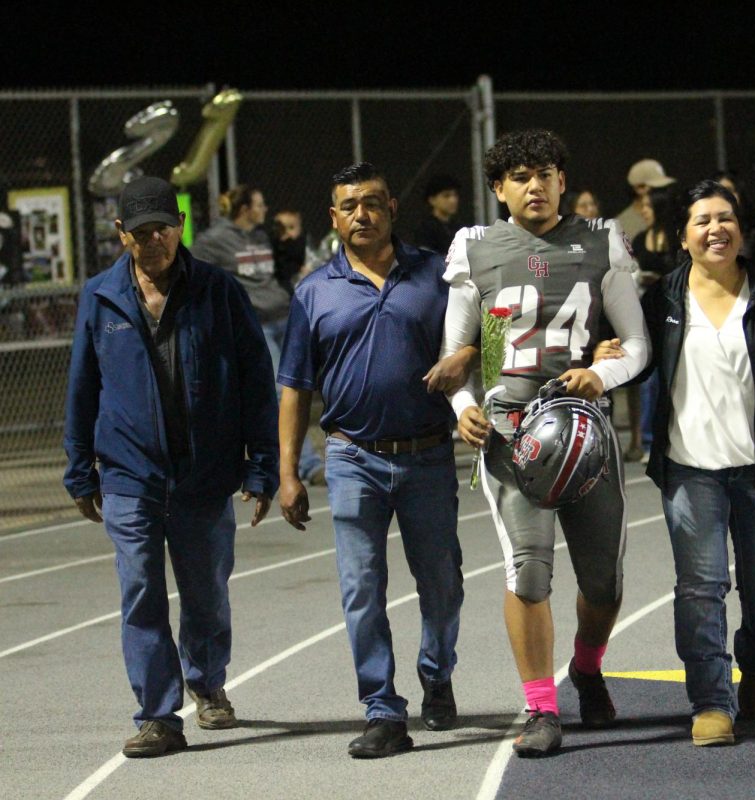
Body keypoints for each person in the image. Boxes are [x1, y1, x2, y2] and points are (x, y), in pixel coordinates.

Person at [442, 129, 649, 757]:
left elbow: (636, 346)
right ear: (499, 188)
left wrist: (601, 371)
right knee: (527, 572)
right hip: (512, 432)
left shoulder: (599, 239)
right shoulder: (474, 247)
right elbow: (455, 355)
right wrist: (464, 406)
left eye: (546, 173)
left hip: (584, 429)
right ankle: (540, 708)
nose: (535, 185)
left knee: (605, 584)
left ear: (563, 180)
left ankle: (586, 667)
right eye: (521, 176)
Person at [62, 176, 278, 757]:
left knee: (206, 589)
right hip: (130, 472)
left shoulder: (219, 291)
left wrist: (264, 464)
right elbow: (82, 387)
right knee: (140, 590)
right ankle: (158, 714)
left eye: (162, 226)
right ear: (120, 234)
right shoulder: (101, 297)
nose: (153, 238)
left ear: (179, 226)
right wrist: (79, 466)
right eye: (140, 231)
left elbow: (258, 381)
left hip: (205, 473)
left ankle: (207, 684)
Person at [277, 163, 465, 758]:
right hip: (352, 457)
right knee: (361, 588)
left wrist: (465, 358)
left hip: (428, 457)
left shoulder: (437, 277)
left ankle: (436, 672)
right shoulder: (313, 290)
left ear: (391, 209)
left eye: (373, 203)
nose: (363, 214)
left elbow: (483, 338)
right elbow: (294, 387)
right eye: (349, 205)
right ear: (333, 218)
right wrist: (288, 470)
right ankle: (382, 708)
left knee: (442, 584)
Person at [630, 180, 755, 746]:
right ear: (683, 236)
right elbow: (638, 365)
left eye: (725, 218)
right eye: (702, 221)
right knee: (700, 587)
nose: (716, 229)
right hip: (690, 469)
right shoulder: (661, 300)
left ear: (741, 229)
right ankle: (711, 701)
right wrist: (605, 353)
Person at [193, 185, 323, 483]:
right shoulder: (215, 241)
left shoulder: (263, 236)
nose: (265, 210)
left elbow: (284, 265)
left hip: (286, 318)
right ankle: (307, 465)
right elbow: (194, 273)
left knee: (300, 388)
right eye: (260, 205)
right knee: (282, 392)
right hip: (257, 325)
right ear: (245, 209)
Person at [627, 184, 683, 462]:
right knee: (649, 380)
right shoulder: (639, 240)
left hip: (676, 314)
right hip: (648, 314)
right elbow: (631, 272)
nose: (644, 211)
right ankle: (649, 441)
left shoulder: (677, 239)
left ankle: (675, 436)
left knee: (675, 377)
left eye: (648, 207)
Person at [617, 158, 675, 240]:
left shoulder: (672, 216)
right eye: (656, 187)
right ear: (638, 188)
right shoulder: (623, 225)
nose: (660, 192)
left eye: (662, 187)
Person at [413, 174, 461, 257]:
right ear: (432, 200)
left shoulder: (458, 227)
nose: (453, 200)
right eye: (446, 196)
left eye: (455, 195)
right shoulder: (426, 229)